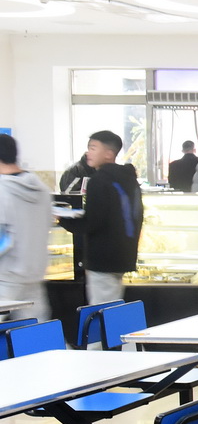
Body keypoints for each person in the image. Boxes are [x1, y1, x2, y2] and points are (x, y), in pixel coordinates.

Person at [57, 130, 143, 306]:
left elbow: (92, 222)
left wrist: (63, 219)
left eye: (93, 148)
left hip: (102, 257)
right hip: (123, 255)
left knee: (102, 309)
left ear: (109, 153)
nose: (88, 152)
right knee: (113, 306)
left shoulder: (99, 180)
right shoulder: (129, 178)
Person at [0, 133, 53, 322]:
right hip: (34, 273)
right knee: (34, 332)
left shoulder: (2, 190)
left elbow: (2, 237)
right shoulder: (41, 189)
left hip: (6, 276)